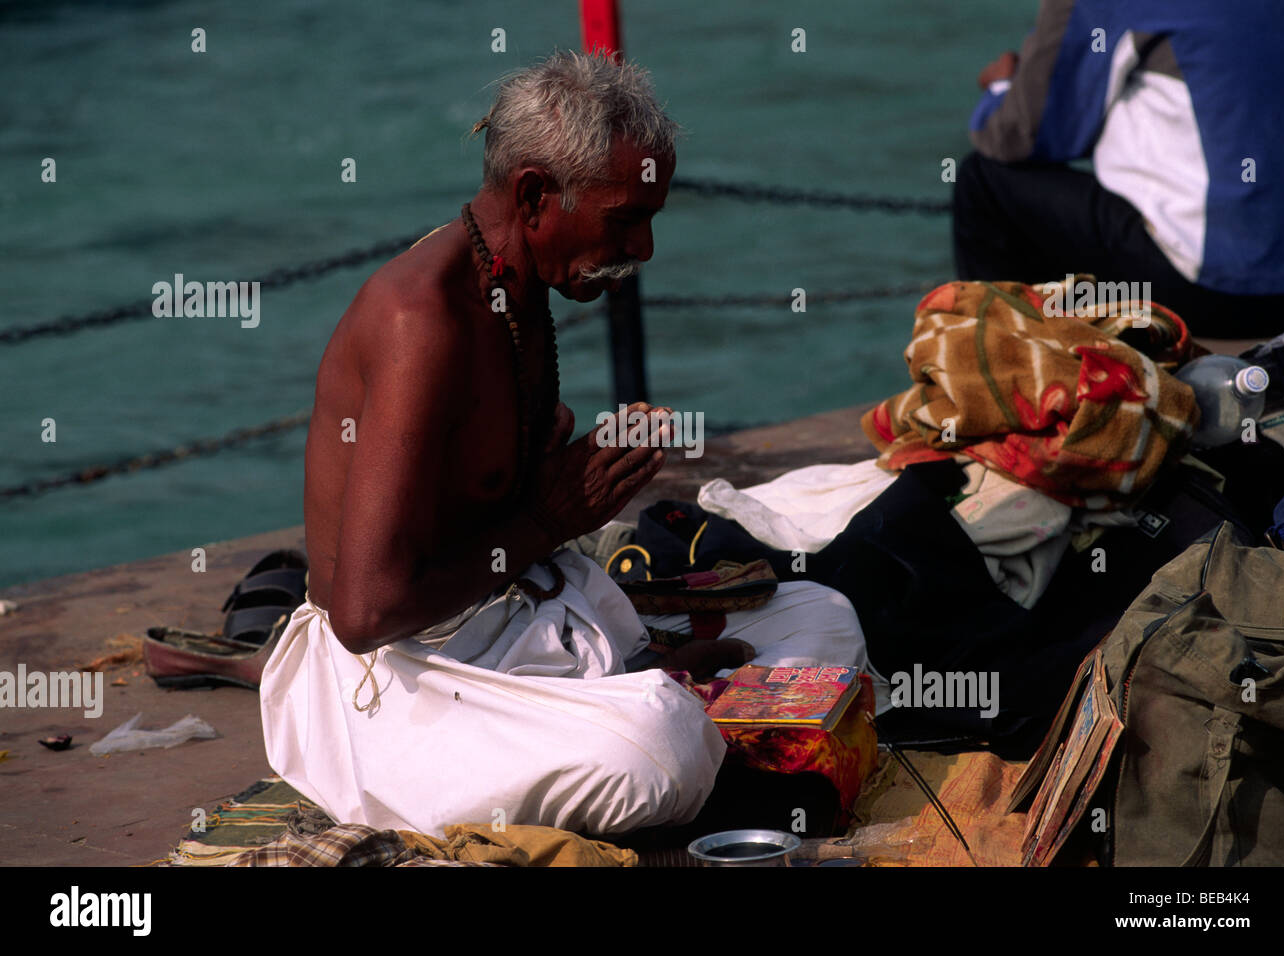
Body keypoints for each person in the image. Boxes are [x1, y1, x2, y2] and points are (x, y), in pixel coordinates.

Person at [259, 51, 867, 839]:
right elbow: (366, 613)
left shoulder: (519, 285)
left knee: (824, 617)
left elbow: (484, 511)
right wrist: (548, 518)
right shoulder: (423, 321)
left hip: (522, 626)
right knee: (658, 743)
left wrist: (553, 493)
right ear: (535, 195)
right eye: (624, 219)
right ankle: (666, 730)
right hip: (397, 683)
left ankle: (636, 694)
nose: (643, 248)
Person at [953, 0, 1284, 339]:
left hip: (1197, 294)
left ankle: (1005, 364)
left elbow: (1019, 136)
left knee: (983, 181)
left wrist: (1001, 86)